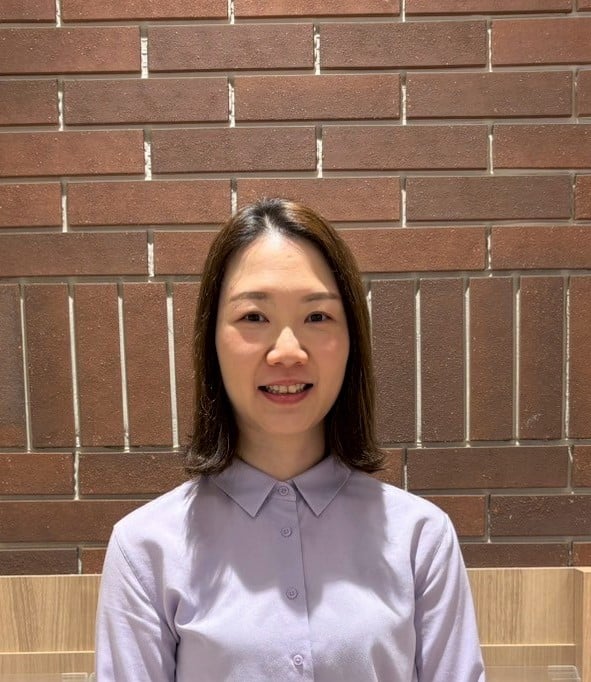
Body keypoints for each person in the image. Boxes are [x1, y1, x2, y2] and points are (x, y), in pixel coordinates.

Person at [95, 198, 486, 681]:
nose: (287, 351)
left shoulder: (420, 539)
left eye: (317, 317)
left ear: (352, 341)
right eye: (253, 317)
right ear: (211, 340)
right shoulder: (146, 549)